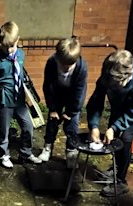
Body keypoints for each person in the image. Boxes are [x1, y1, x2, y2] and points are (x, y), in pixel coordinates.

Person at [86, 49, 133, 197]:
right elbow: (95, 103)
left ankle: (121, 181)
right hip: (118, 107)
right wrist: (94, 126)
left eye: (117, 83)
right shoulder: (105, 78)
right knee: (113, 139)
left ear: (126, 76)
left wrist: (115, 127)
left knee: (125, 139)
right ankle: (115, 167)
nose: (113, 85)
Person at [0, 21, 41, 169]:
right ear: (0, 43)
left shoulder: (20, 54)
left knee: (28, 127)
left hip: (19, 100)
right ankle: (4, 155)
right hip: (4, 100)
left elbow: (20, 74)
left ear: (18, 40)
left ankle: (25, 153)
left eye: (12, 46)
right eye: (5, 46)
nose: (9, 50)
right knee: (4, 131)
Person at [38, 37, 87, 168]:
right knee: (52, 122)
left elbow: (79, 92)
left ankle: (71, 152)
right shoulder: (51, 63)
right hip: (56, 94)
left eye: (69, 66)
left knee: (72, 126)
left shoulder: (81, 68)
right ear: (57, 58)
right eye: (63, 65)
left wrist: (71, 112)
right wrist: (52, 108)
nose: (66, 68)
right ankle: (47, 147)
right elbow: (47, 86)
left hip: (72, 97)